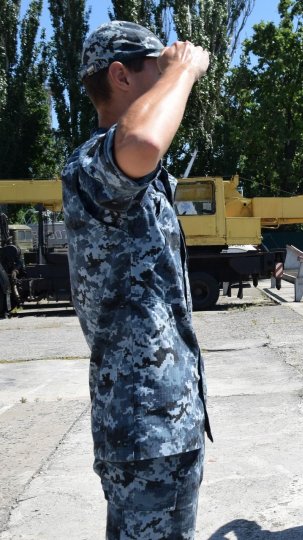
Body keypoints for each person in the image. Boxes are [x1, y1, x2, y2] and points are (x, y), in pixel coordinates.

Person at [61, 21, 212, 539]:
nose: (169, 69)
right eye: (158, 64)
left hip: (159, 427)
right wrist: (186, 69)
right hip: (148, 428)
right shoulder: (93, 165)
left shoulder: (133, 178)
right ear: (121, 75)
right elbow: (144, 139)